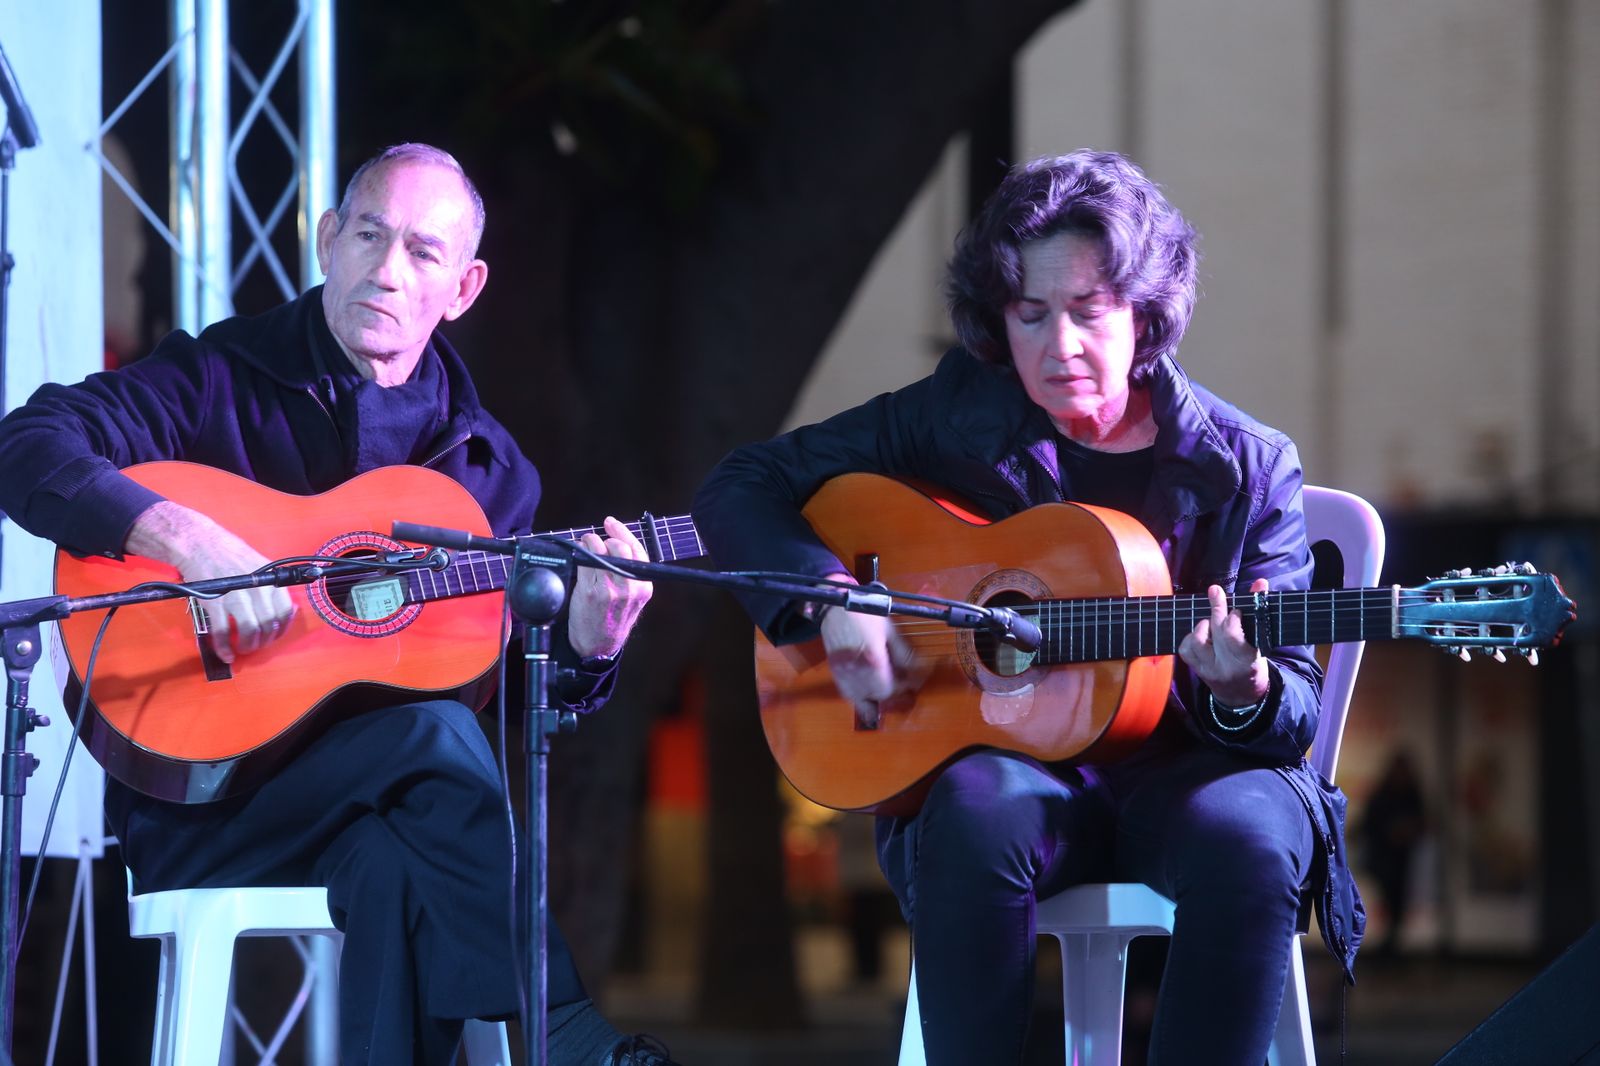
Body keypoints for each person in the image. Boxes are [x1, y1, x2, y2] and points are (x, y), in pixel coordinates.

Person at [0, 144, 676, 1065]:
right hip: (206, 801)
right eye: (369, 234)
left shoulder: (489, 475)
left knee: (410, 854)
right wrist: (180, 538)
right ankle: (563, 1034)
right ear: (328, 239)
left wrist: (590, 648)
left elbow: (503, 700)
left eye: (423, 254)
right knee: (437, 742)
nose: (389, 271)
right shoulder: (218, 377)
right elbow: (29, 442)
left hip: (386, 818)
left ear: (465, 287)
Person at [693, 150, 1363, 1064]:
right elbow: (743, 483)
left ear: (1146, 314)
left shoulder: (1247, 462)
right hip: (1024, 775)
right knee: (974, 804)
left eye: (1089, 313)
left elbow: (1291, 707)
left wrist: (1240, 684)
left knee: (1253, 836)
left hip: (1193, 776)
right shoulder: (955, 415)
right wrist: (831, 604)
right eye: (1030, 315)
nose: (1061, 347)